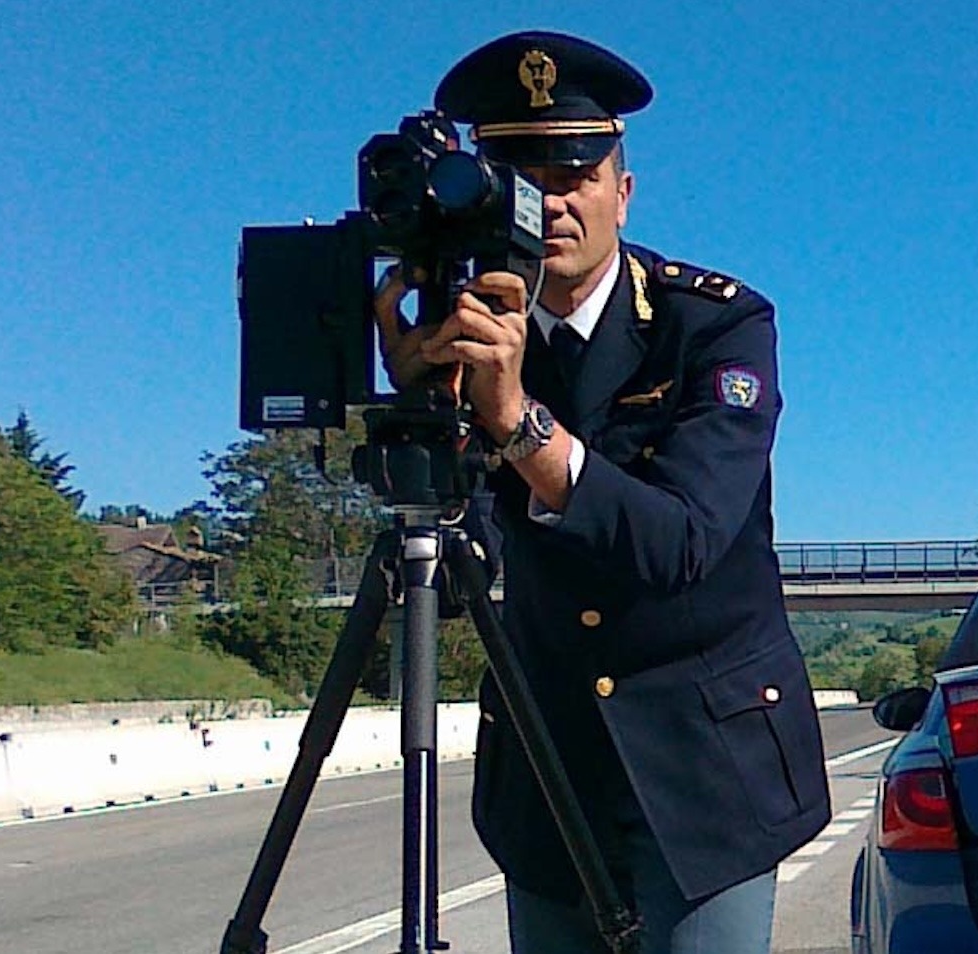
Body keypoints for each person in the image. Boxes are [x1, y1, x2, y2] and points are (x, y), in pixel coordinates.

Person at [373, 30, 831, 954]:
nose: (551, 201)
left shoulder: (714, 326)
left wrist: (517, 425)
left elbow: (684, 543)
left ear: (622, 190)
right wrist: (426, 417)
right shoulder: (473, 331)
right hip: (549, 769)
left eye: (575, 172)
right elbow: (465, 569)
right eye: (519, 175)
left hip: (706, 769)